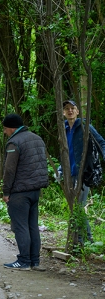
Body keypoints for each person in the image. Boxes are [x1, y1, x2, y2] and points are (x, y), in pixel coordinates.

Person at [2, 113, 49, 271]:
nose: (4, 132)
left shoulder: (14, 142)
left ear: (11, 128)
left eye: (5, 129)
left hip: (19, 192)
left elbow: (9, 170)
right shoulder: (37, 139)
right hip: (35, 191)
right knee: (32, 226)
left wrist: (6, 191)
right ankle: (34, 261)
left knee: (21, 226)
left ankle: (23, 261)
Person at [60, 100, 105, 244]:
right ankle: (81, 239)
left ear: (78, 111)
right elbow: (64, 152)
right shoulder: (63, 128)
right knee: (74, 207)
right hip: (69, 173)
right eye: (67, 109)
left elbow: (101, 142)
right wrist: (61, 169)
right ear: (63, 113)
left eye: (72, 108)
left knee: (78, 206)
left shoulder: (85, 127)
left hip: (83, 173)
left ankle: (84, 238)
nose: (70, 111)